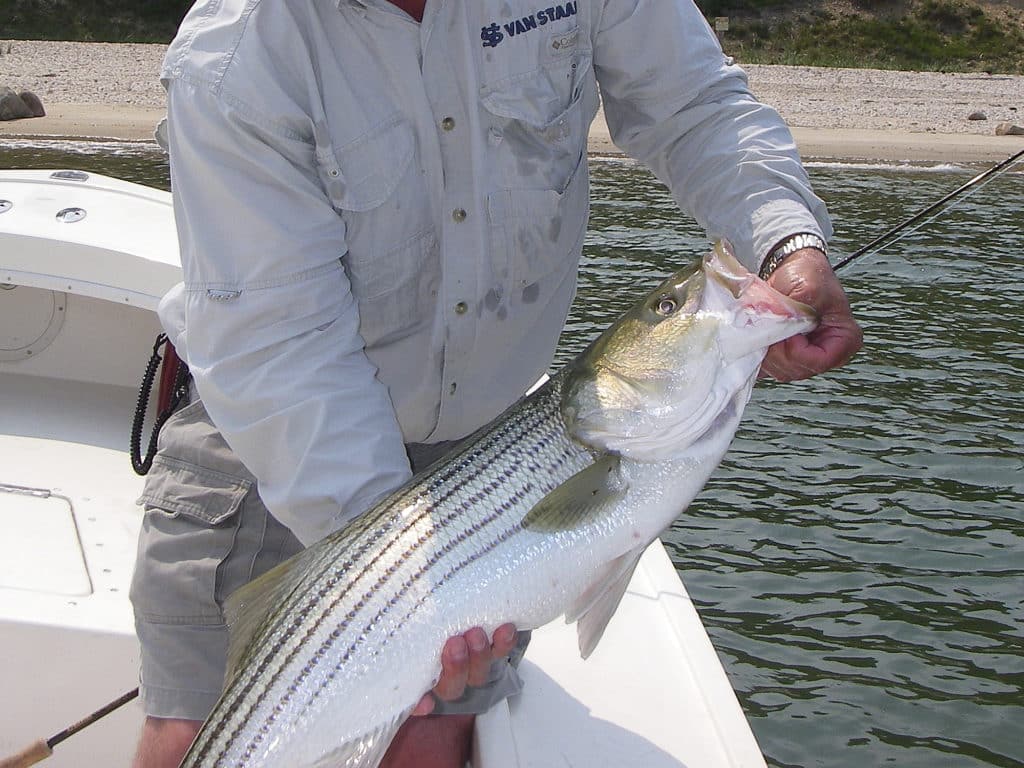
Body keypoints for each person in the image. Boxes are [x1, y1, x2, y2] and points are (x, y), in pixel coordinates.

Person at [129, 0, 863, 765]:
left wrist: (785, 237)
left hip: (492, 445)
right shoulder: (234, 55)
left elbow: (696, 105)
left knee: (435, 733)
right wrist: (398, 594)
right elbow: (278, 348)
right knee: (193, 730)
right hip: (271, 436)